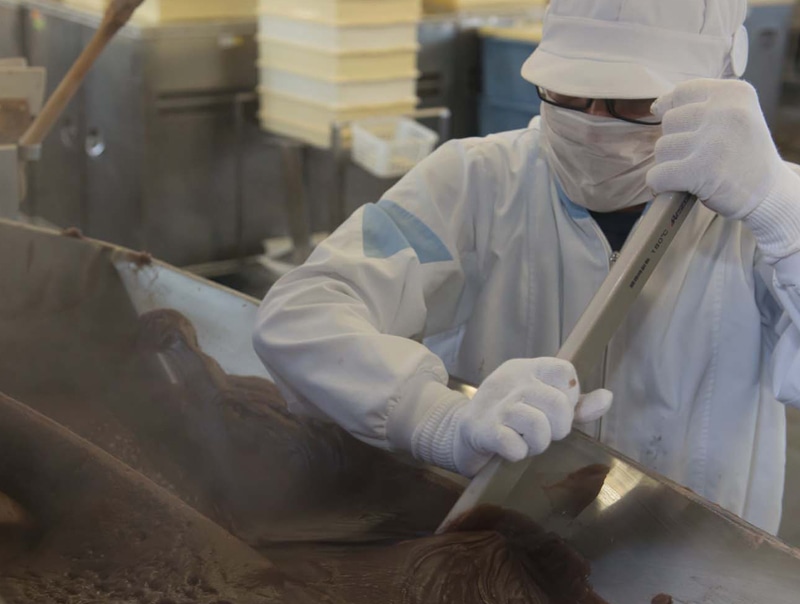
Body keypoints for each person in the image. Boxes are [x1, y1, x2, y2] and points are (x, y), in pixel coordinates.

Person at [254, 0, 800, 536]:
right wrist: (437, 419)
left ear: (717, 84)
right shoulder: (473, 183)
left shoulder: (764, 218)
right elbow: (302, 311)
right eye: (569, 93)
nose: (593, 122)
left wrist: (777, 212)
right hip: (499, 543)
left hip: (697, 567)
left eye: (635, 102)